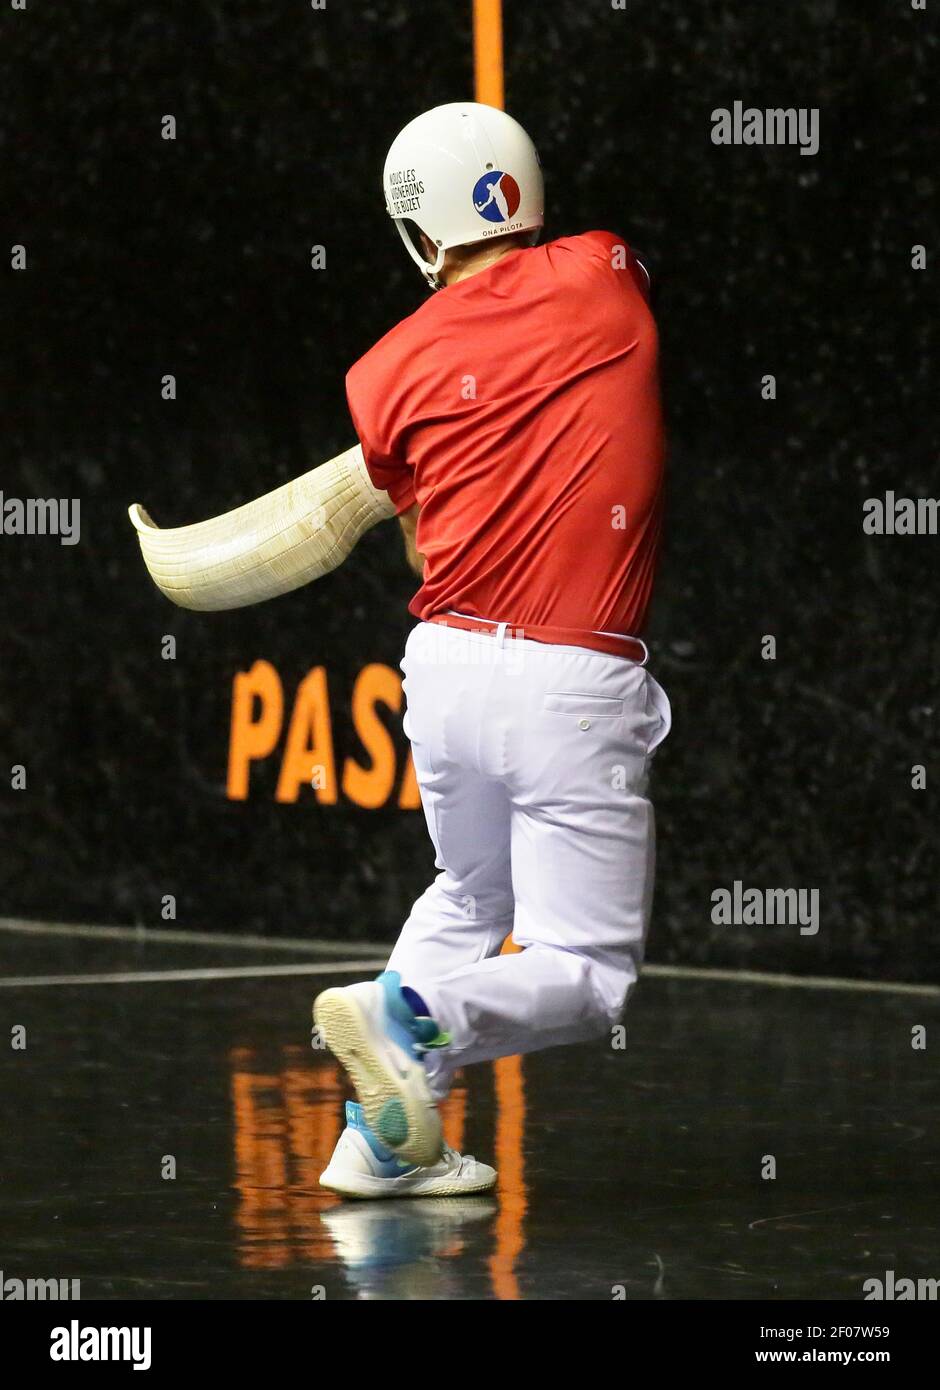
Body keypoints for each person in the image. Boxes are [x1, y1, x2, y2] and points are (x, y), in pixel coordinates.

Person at [315, 101, 670, 1200]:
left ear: (418, 235)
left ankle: (376, 1147)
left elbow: (425, 525)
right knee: (588, 975)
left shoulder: (379, 375)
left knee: (468, 891)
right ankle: (409, 1023)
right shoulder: (607, 272)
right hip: (571, 674)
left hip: (446, 664)